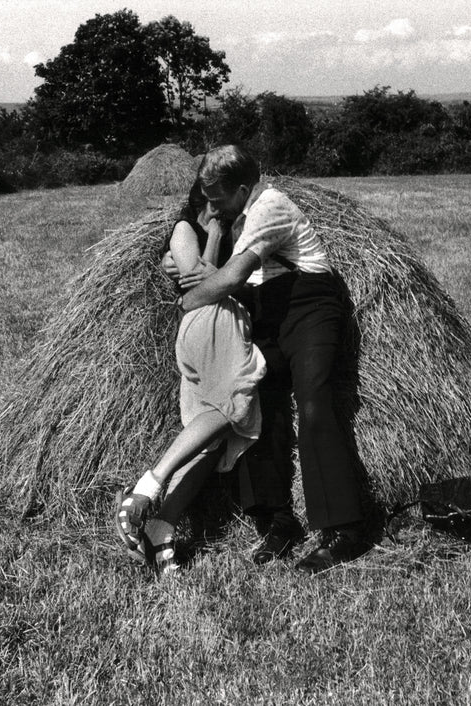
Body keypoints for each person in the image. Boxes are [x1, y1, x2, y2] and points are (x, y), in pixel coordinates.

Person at [166, 145, 369, 574]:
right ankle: (276, 520)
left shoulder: (269, 205)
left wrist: (187, 302)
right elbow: (236, 280)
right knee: (253, 401)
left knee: (313, 397)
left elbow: (234, 276)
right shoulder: (239, 216)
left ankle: (345, 529)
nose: (212, 207)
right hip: (271, 310)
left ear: (242, 189)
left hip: (311, 305)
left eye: (218, 197)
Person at [115, 180, 265, 576]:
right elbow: (206, 283)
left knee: (211, 439)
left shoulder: (237, 229)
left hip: (228, 327)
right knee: (232, 403)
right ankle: (149, 484)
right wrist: (213, 237)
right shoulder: (185, 230)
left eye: (224, 208)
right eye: (214, 207)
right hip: (206, 324)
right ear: (202, 203)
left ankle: (161, 528)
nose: (221, 213)